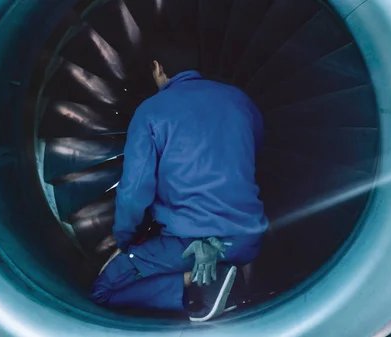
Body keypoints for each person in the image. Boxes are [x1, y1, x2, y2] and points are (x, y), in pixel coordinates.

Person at [90, 39, 268, 322]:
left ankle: (196, 280)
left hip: (187, 244)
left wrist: (126, 242)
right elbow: (255, 153)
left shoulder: (151, 111)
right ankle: (223, 279)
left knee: (103, 290)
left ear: (158, 68)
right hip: (248, 239)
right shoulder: (240, 99)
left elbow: (134, 192)